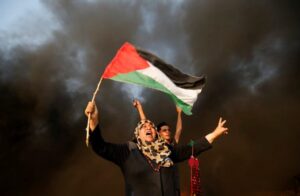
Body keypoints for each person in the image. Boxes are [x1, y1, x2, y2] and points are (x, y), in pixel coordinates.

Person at [85, 101, 228, 196]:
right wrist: (94, 120)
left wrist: (214, 134)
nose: (148, 128)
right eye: (144, 127)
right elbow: (100, 147)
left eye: (151, 127)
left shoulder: (167, 150)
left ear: (156, 134)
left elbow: (192, 148)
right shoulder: (128, 150)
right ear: (138, 134)